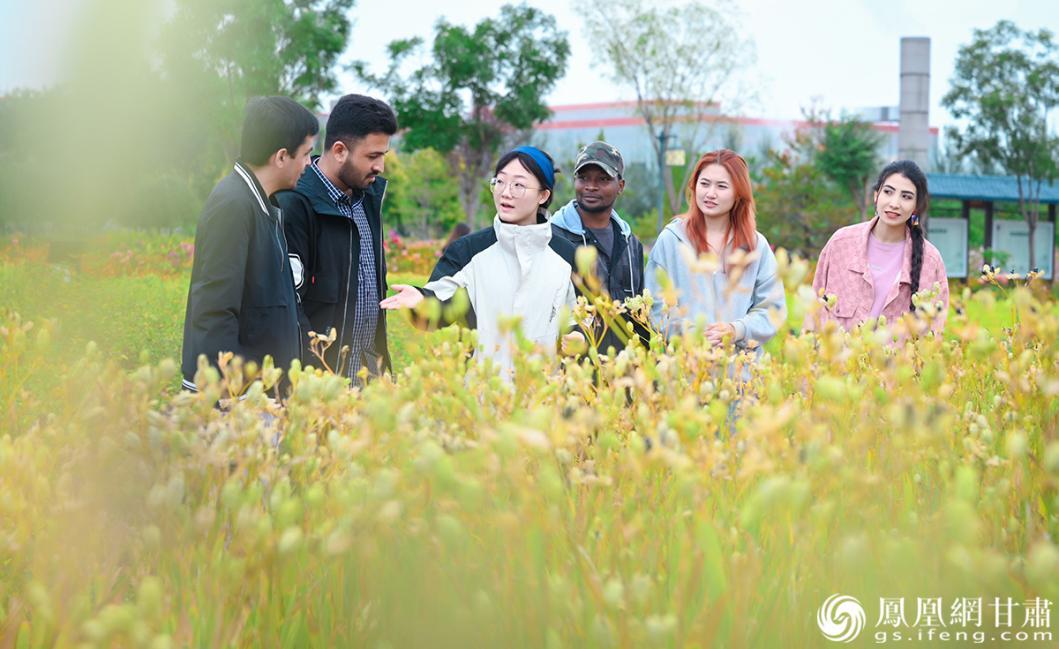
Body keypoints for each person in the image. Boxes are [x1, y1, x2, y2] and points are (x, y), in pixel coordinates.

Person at [380, 146, 578, 378]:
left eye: (518, 185)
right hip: (482, 394)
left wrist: (578, 336)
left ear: (543, 195)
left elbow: (583, 316)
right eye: (500, 182)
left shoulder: (566, 255)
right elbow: (440, 306)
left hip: (544, 396)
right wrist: (421, 300)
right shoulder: (469, 251)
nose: (505, 192)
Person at [181, 96, 318, 392]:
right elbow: (215, 313)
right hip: (237, 403)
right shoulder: (233, 205)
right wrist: (238, 396)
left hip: (263, 395)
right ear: (281, 156)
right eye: (306, 154)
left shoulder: (264, 204)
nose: (309, 164)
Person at [277, 94, 398, 381]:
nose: (380, 167)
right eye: (372, 156)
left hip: (368, 381)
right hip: (318, 384)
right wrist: (317, 379)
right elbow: (288, 305)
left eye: (383, 156)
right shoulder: (295, 203)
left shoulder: (369, 199)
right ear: (340, 150)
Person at [645, 149, 786, 354]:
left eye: (721, 186)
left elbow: (773, 308)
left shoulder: (756, 246)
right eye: (704, 184)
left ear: (738, 194)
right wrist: (692, 334)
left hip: (741, 374)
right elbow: (655, 303)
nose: (710, 193)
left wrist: (736, 330)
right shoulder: (671, 240)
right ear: (694, 187)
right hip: (684, 371)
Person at [811, 160, 948, 334]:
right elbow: (814, 313)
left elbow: (933, 332)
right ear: (876, 195)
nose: (894, 203)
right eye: (888, 192)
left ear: (916, 207)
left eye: (906, 196)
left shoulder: (930, 261)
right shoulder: (840, 244)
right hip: (839, 359)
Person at [550, 141, 646, 354]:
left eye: (602, 179)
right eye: (583, 178)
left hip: (623, 373)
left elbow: (640, 315)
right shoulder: (553, 239)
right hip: (572, 374)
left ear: (620, 186)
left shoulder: (631, 245)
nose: (591, 186)